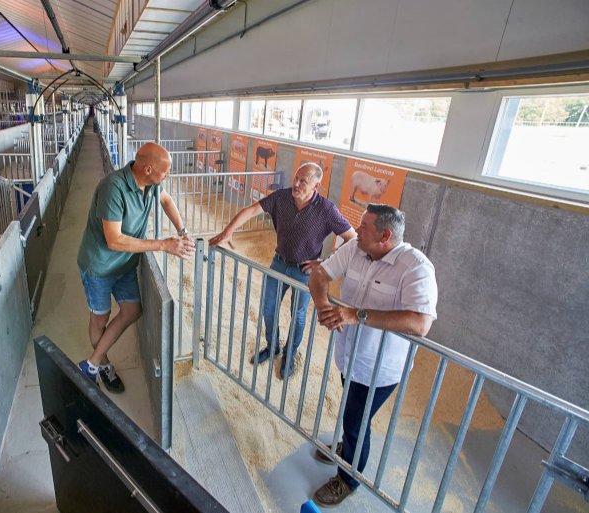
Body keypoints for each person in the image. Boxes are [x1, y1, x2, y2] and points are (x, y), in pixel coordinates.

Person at [307, 204, 438, 507]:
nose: (357, 229)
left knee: (356, 420)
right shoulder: (355, 248)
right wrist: (323, 305)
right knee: (352, 413)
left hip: (381, 369)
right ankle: (347, 447)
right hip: (350, 356)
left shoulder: (416, 267)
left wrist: (358, 315)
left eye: (364, 225)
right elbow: (319, 275)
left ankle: (348, 478)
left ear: (385, 235)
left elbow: (420, 323)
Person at [209, 163, 356, 379]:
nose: (296, 184)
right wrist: (228, 232)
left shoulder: (326, 209)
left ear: (316, 185)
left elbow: (352, 238)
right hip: (279, 262)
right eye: (296, 178)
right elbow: (251, 210)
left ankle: (290, 353)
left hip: (305, 271)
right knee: (268, 309)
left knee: (298, 315)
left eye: (303, 181)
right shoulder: (281, 197)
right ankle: (273, 346)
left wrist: (326, 262)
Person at [77, 142, 194, 392]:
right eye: (166, 171)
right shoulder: (113, 188)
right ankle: (103, 365)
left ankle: (91, 364)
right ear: (149, 169)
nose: (168, 175)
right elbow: (114, 239)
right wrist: (163, 245)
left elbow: (167, 201)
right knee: (100, 319)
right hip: (99, 266)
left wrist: (182, 231)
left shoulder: (151, 185)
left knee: (132, 311)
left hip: (124, 265)